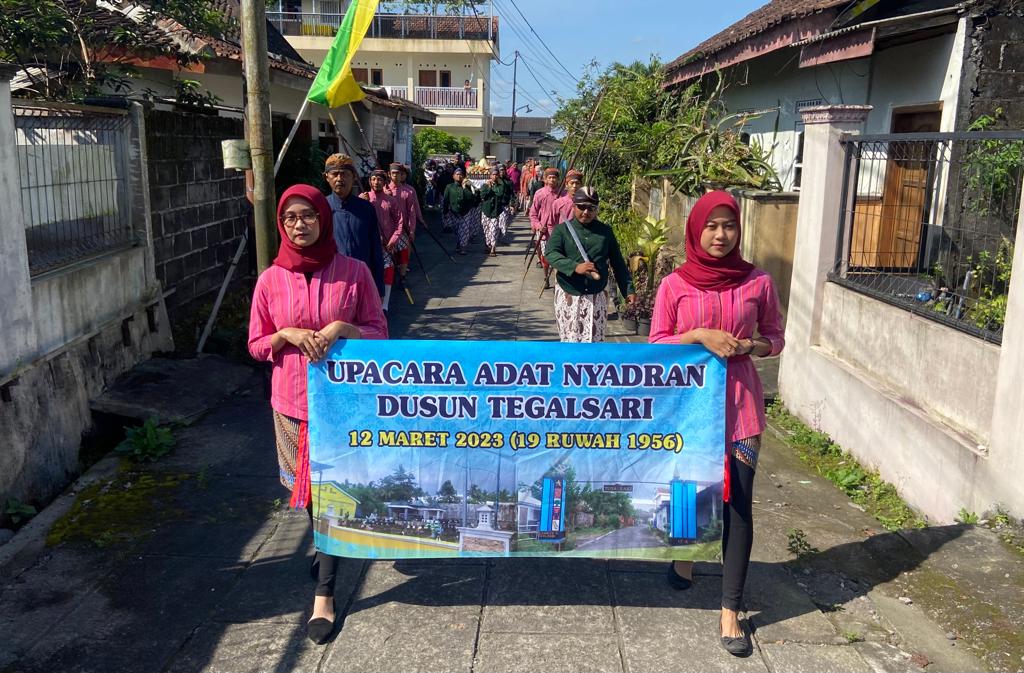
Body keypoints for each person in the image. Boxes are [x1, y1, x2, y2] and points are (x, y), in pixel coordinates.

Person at [247, 184, 387, 645]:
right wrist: (285, 334)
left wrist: (343, 327)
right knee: (310, 496)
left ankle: (324, 593)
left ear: (323, 219)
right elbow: (256, 344)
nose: (299, 224)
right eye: (290, 218)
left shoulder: (354, 272)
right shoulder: (270, 280)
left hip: (342, 404)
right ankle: (327, 546)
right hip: (291, 405)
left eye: (307, 215)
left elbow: (380, 332)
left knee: (333, 493)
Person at [648, 190, 785, 658]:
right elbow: (656, 343)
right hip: (689, 411)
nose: (721, 235)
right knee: (690, 491)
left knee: (739, 504)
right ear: (696, 229)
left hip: (741, 409)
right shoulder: (674, 285)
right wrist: (697, 336)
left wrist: (751, 346)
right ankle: (685, 561)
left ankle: (730, 610)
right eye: (712, 225)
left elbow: (776, 338)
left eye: (729, 225)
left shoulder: (758, 282)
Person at [544, 187, 635, 342]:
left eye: (591, 208)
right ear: (573, 206)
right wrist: (574, 267)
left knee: (594, 341)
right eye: (582, 207)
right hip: (569, 293)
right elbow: (551, 254)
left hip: (597, 294)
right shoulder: (562, 230)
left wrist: (628, 290)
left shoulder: (605, 232)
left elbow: (618, 262)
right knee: (570, 340)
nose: (586, 212)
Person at [323, 154, 384, 296]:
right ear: (327, 177)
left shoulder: (366, 209)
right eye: (335, 174)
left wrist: (379, 289)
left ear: (354, 177)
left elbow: (376, 250)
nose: (339, 179)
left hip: (362, 282)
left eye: (344, 174)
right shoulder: (321, 208)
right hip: (331, 284)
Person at [361, 169, 406, 313]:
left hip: (387, 245)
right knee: (368, 273)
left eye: (380, 179)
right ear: (370, 181)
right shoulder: (363, 198)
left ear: (385, 182)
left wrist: (394, 239)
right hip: (368, 244)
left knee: (388, 271)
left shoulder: (391, 201)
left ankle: (384, 305)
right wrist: (362, 203)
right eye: (373, 179)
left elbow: (399, 222)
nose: (376, 182)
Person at [386, 162, 425, 278]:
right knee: (389, 257)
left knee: (404, 254)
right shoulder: (383, 190)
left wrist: (412, 229)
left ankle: (402, 278)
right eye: (393, 173)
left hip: (403, 229)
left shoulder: (407, 192)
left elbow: (412, 212)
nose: (396, 176)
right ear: (389, 174)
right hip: (387, 231)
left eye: (398, 173)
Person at [529, 167, 567, 285]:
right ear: (545, 179)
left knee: (558, 258)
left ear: (558, 179)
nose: (552, 180)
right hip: (544, 233)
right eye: (549, 177)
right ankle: (546, 277)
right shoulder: (540, 193)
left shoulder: (564, 194)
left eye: (554, 177)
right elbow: (533, 213)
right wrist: (538, 225)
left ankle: (557, 281)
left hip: (560, 233)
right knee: (546, 258)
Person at [442, 166, 479, 254]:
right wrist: (445, 212)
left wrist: (465, 187)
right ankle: (459, 244)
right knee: (457, 230)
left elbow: (471, 197)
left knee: (464, 230)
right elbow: (446, 200)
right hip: (454, 212)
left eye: (461, 174)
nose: (459, 176)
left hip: (465, 212)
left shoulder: (467, 186)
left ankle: (463, 247)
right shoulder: (449, 187)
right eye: (457, 174)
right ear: (453, 176)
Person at [479, 166, 510, 256]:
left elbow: (499, 193)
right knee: (486, 229)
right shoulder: (485, 185)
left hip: (496, 211)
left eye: (496, 174)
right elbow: (483, 195)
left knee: (494, 230)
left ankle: (493, 248)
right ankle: (487, 244)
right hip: (486, 210)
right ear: (490, 175)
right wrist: (489, 188)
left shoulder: (501, 186)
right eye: (493, 174)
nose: (495, 176)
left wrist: (492, 188)